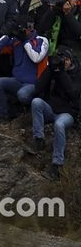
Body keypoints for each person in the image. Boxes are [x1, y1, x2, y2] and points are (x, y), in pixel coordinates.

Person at [26, 49, 80, 180]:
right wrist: (50, 70)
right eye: (61, 59)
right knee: (36, 102)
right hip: (52, 109)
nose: (63, 62)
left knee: (59, 124)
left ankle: (57, 165)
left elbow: (73, 94)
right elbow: (38, 89)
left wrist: (61, 73)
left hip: (68, 113)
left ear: (70, 61)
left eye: (65, 60)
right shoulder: (54, 70)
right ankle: (39, 140)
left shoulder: (77, 74)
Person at [0, 22, 48, 120]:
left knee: (22, 94)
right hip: (17, 80)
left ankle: (30, 111)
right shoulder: (16, 41)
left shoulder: (41, 40)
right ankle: (3, 117)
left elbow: (36, 58)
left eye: (25, 28)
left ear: (31, 28)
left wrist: (26, 41)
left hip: (33, 83)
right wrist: (8, 35)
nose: (23, 31)